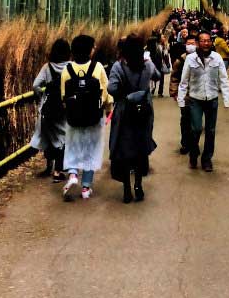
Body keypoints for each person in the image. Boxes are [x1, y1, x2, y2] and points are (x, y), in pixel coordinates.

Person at [61, 34, 112, 201]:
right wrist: (108, 109)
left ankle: (73, 174)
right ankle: (85, 187)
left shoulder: (66, 69)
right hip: (93, 117)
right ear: (90, 50)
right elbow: (105, 93)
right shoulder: (97, 68)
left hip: (73, 117)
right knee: (91, 150)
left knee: (73, 147)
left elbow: (63, 96)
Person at [108, 34, 158, 203]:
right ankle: (138, 185)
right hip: (144, 112)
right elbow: (158, 74)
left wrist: (125, 93)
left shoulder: (118, 66)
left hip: (125, 112)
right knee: (140, 149)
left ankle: (127, 189)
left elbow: (111, 88)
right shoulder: (148, 65)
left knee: (125, 150)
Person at [177, 29, 229, 171]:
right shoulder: (191, 58)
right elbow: (184, 81)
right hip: (195, 99)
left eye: (208, 40)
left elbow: (223, 79)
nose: (206, 43)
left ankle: (207, 159)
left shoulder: (217, 58)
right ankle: (194, 154)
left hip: (212, 99)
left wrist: (226, 99)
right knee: (195, 129)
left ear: (211, 42)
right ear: (198, 43)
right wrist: (181, 100)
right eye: (202, 41)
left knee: (211, 131)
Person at [30, 38, 71, 181]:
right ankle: (57, 171)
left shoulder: (47, 67)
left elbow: (36, 85)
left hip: (49, 107)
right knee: (63, 139)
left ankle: (49, 167)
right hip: (65, 107)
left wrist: (43, 97)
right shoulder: (71, 66)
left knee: (49, 137)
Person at [169, 35, 197, 153]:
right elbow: (174, 77)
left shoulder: (201, 58)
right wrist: (174, 92)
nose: (191, 46)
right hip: (185, 94)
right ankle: (185, 144)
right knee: (185, 119)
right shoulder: (181, 60)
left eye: (193, 43)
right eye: (188, 43)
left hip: (197, 95)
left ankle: (193, 142)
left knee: (195, 121)